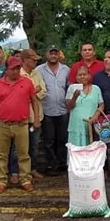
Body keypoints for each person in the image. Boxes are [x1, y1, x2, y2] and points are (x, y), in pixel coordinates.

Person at [0, 56, 40, 193]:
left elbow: (34, 100)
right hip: (2, 124)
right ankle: (1, 180)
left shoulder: (27, 82)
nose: (16, 71)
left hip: (22, 124)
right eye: (13, 68)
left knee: (23, 154)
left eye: (18, 68)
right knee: (1, 154)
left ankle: (25, 179)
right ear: (6, 70)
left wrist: (36, 119)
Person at [14, 49, 47, 179]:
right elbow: (18, 96)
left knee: (34, 146)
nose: (35, 61)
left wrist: (30, 93)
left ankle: (32, 169)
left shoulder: (37, 74)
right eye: (32, 59)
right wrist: (33, 91)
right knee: (18, 147)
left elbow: (43, 91)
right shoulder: (18, 74)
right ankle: (16, 172)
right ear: (25, 60)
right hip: (21, 117)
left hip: (36, 116)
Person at [37, 45, 70, 174]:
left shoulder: (66, 69)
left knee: (63, 138)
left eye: (55, 53)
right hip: (47, 109)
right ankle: (51, 164)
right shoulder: (39, 70)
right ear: (47, 54)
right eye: (51, 53)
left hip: (63, 109)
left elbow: (69, 87)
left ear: (59, 55)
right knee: (48, 140)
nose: (53, 55)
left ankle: (62, 164)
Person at [67, 66, 105, 146]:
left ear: (89, 76)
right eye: (79, 75)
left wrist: (95, 116)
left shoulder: (96, 88)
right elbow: (69, 107)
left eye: (84, 74)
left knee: (92, 149)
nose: (82, 77)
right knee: (77, 151)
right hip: (77, 126)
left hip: (92, 125)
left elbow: (101, 104)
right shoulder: (72, 88)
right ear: (76, 77)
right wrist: (74, 97)